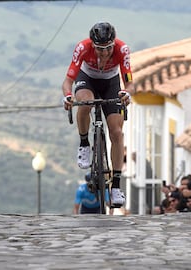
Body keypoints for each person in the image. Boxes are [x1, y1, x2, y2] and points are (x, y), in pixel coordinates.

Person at [62, 22, 135, 207]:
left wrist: (127, 94)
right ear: (92, 45)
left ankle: (116, 186)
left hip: (111, 83)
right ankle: (85, 143)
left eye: (108, 48)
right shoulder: (82, 48)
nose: (104, 53)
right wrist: (68, 96)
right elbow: (68, 81)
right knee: (85, 103)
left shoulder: (122, 49)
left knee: (117, 132)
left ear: (113, 44)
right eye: (99, 49)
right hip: (87, 79)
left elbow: (129, 82)